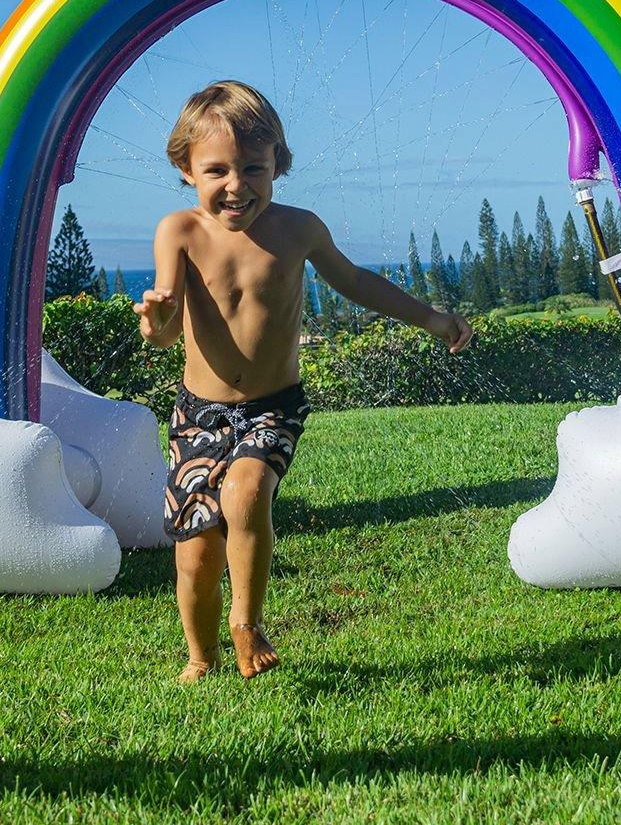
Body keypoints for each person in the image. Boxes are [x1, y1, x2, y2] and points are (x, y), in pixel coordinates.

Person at [135, 80, 472, 683]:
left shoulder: (299, 229)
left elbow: (355, 282)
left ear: (277, 166)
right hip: (198, 416)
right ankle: (199, 657)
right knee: (195, 558)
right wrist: (159, 323)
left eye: (254, 168)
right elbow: (164, 331)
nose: (236, 185)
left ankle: (246, 622)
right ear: (187, 170)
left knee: (246, 492)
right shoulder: (178, 233)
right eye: (217, 170)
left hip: (273, 407)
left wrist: (428, 317)